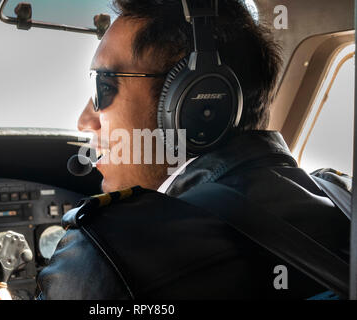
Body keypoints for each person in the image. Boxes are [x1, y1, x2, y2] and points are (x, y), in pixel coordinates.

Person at [37, 0, 349, 299]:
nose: (84, 121)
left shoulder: (107, 256)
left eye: (102, 87)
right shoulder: (344, 200)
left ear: (197, 102)